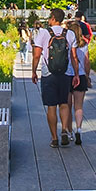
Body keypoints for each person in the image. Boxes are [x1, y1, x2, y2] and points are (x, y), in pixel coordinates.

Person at [32, 8, 80, 148]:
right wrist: (76, 74)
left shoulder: (43, 33)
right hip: (65, 73)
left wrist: (34, 71)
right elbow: (74, 57)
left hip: (48, 73)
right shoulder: (70, 34)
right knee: (64, 103)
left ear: (53, 18)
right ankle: (64, 130)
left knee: (51, 106)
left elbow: (36, 55)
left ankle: (54, 138)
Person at [68, 19, 92, 144]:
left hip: (67, 76)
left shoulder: (66, 44)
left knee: (67, 105)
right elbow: (87, 62)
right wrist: (87, 76)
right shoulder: (84, 44)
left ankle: (68, 131)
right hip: (81, 76)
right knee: (78, 106)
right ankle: (78, 129)